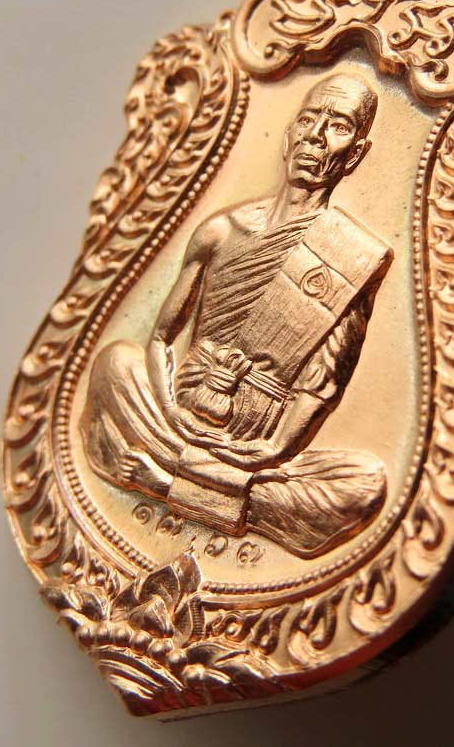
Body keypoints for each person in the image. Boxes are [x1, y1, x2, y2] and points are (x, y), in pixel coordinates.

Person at [82, 73, 392, 559]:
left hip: (254, 449)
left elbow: (323, 384)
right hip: (176, 417)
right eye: (308, 119)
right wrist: (170, 411)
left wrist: (275, 449)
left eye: (336, 126)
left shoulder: (353, 256)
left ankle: (162, 481)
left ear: (354, 154)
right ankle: (225, 495)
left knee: (364, 483)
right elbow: (161, 337)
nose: (314, 136)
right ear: (288, 136)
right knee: (113, 363)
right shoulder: (221, 230)